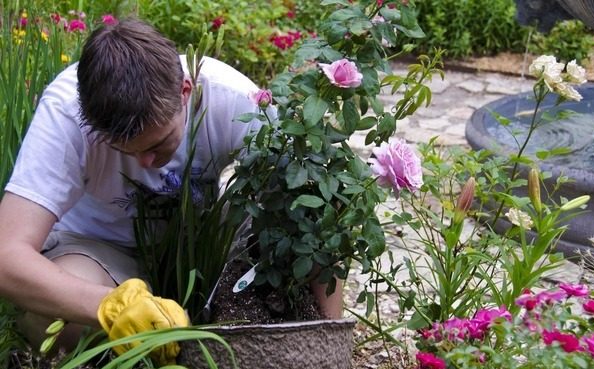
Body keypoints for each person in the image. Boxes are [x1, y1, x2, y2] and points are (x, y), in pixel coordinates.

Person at [0, 18, 342, 364]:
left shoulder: (230, 97)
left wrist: (330, 340)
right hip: (100, 254)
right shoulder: (65, 112)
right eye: (125, 150)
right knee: (54, 323)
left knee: (290, 229)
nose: (146, 163)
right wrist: (109, 307)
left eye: (158, 144)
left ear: (185, 91)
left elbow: (310, 211)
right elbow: (6, 255)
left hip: (203, 247)